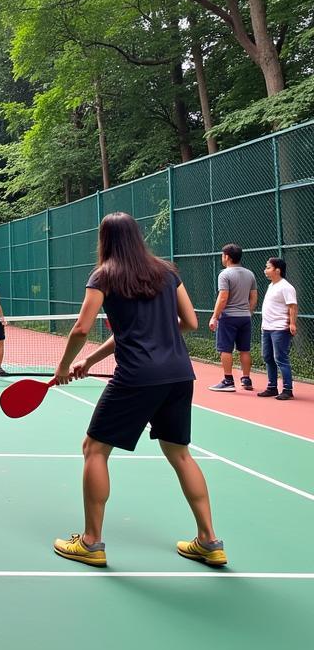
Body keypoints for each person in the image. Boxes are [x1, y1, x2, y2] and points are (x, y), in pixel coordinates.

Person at [51, 212, 225, 569]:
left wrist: (65, 365)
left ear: (105, 239)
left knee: (94, 449)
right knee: (180, 454)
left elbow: (82, 328)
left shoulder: (104, 275)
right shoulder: (166, 272)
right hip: (179, 375)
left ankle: (90, 542)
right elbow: (190, 322)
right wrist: (93, 360)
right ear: (137, 236)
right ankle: (209, 541)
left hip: (136, 377)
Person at [208, 243, 259, 392]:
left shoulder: (224, 274)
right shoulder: (250, 274)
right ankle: (246, 378)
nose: (222, 258)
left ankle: (228, 380)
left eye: (222, 255)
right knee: (244, 349)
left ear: (227, 257)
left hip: (228, 317)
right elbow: (254, 297)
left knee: (226, 349)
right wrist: (247, 312)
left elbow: (223, 297)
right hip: (245, 318)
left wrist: (214, 317)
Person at [257, 257, 298, 401]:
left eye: (268, 267)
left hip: (280, 328)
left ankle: (287, 390)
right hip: (267, 328)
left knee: (280, 358)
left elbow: (292, 306)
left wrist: (292, 324)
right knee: (268, 357)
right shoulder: (271, 286)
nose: (265, 270)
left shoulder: (286, 287)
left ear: (277, 270)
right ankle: (272, 387)